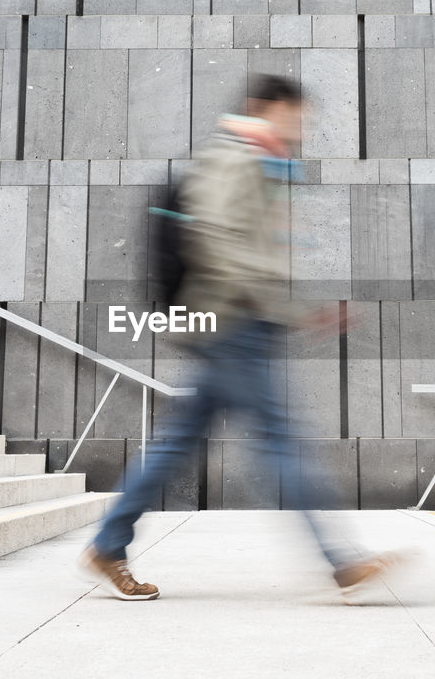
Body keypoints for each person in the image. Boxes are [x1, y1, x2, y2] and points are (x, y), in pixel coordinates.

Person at [77, 74, 403, 601]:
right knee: (282, 441)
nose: (300, 127)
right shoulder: (235, 158)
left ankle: (108, 545)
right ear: (263, 108)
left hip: (234, 323)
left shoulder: (262, 163)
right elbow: (217, 243)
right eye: (294, 115)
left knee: (177, 442)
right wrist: (293, 311)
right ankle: (341, 561)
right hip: (234, 324)